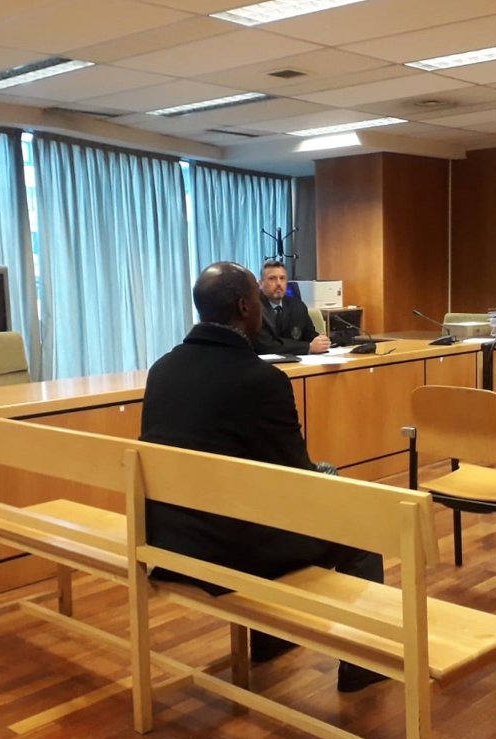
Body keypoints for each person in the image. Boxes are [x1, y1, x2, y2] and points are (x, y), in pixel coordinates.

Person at [140, 261, 384, 692]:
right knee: (363, 523)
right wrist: (328, 475)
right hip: (233, 553)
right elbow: (297, 479)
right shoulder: (262, 380)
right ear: (244, 307)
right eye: (257, 297)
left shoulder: (161, 369)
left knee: (257, 506)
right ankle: (364, 663)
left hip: (170, 541)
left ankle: (271, 641)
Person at [255, 260, 331, 355]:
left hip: (299, 362)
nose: (279, 283)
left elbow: (310, 336)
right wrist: (308, 347)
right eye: (272, 278)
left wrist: (321, 341)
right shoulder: (253, 308)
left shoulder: (297, 306)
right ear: (260, 283)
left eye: (282, 278)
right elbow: (266, 346)